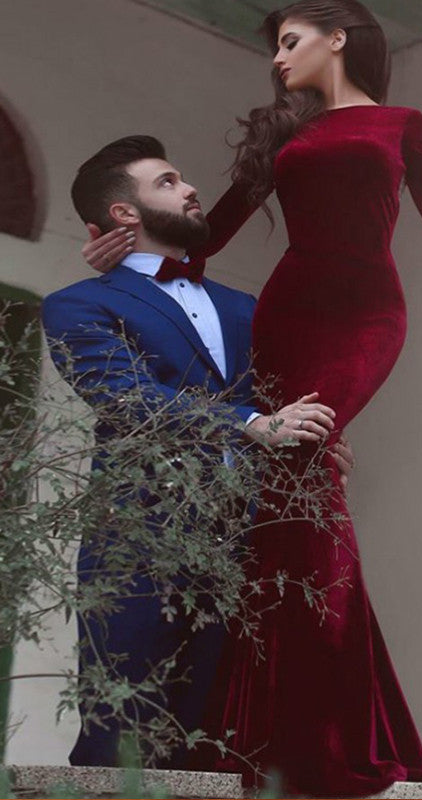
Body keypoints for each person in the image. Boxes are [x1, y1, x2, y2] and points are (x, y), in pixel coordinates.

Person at [84, 0, 422, 793]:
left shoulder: (403, 123)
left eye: (291, 42)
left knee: (303, 481)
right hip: (289, 311)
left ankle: (313, 729)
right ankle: (285, 727)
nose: (277, 58)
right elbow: (211, 241)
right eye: (275, 46)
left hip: (366, 314)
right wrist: (126, 260)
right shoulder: (287, 132)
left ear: (338, 40)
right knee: (292, 502)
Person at [42, 135, 353, 768]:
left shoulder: (249, 307)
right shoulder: (76, 304)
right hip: (138, 541)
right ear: (123, 214)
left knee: (225, 743)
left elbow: (288, 390)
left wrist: (318, 441)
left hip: (250, 547)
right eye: (167, 181)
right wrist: (249, 424)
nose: (189, 189)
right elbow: (126, 398)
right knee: (121, 732)